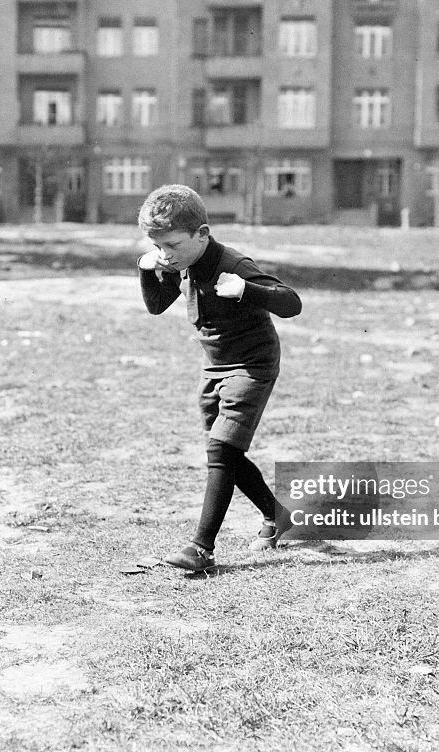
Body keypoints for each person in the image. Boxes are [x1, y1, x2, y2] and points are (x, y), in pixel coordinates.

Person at [137, 184, 303, 573]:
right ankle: (278, 517)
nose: (166, 254)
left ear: (203, 234)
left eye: (173, 245)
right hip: (215, 366)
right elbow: (157, 305)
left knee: (221, 451)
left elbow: (291, 302)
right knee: (226, 451)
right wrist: (148, 272)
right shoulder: (180, 261)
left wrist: (246, 289)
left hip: (252, 365)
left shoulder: (232, 263)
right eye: (159, 246)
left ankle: (202, 548)